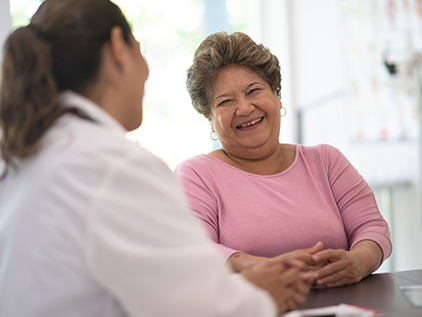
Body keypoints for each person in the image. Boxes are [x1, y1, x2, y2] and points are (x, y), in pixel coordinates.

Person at [0, 2, 317, 316]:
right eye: (139, 49)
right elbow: (198, 307)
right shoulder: (114, 166)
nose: (147, 71)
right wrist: (263, 295)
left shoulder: (27, 154)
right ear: (117, 49)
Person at [175, 31, 393, 289]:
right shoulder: (196, 175)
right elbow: (195, 250)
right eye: (225, 101)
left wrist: (358, 262)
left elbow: (372, 227)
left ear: (277, 96)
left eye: (253, 90)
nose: (244, 108)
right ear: (210, 119)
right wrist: (259, 268)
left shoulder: (326, 161)